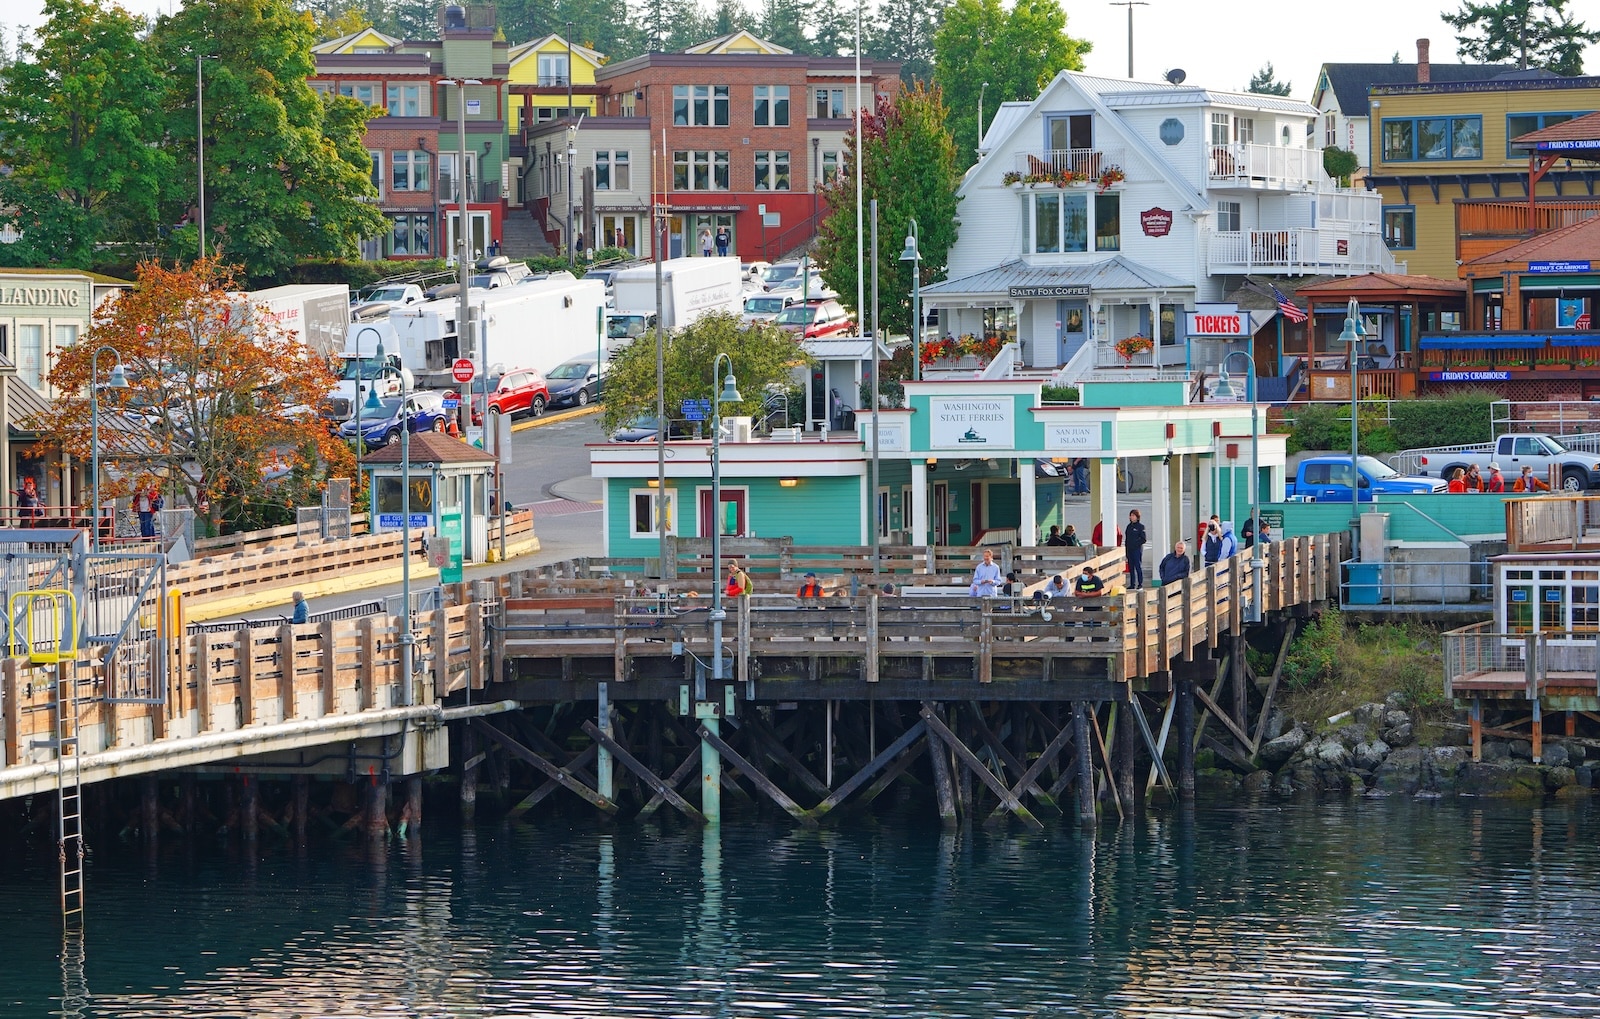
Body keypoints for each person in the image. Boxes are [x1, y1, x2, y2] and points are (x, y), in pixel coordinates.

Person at [1124, 509, 1147, 589]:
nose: (1131, 517)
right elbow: (1127, 539)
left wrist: (1135, 544)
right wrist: (1126, 550)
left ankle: (1140, 584)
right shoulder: (1129, 527)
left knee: (1138, 566)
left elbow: (1143, 539)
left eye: (1133, 515)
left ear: (1137, 517)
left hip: (1137, 550)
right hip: (1129, 550)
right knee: (1131, 567)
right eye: (1131, 515)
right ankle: (1132, 584)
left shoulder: (1141, 527)